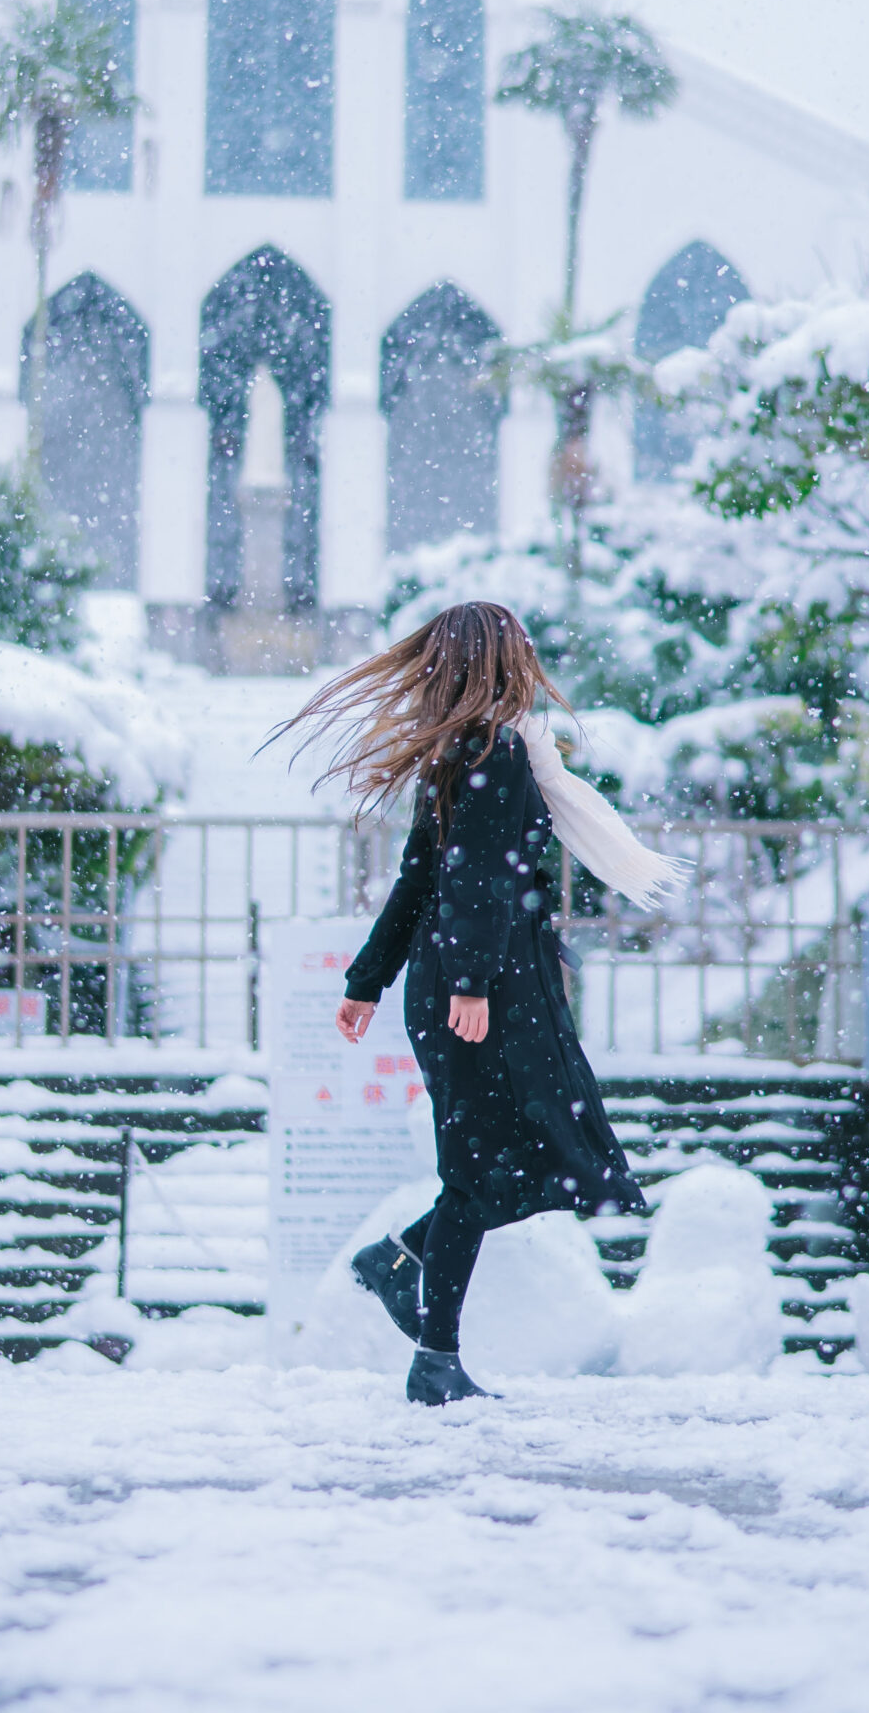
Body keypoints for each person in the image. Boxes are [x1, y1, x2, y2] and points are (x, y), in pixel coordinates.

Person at [284, 602, 685, 1405]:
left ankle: (403, 1269)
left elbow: (420, 880)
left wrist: (370, 981)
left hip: (479, 984)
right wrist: (466, 983)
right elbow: (470, 879)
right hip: (486, 991)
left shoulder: (469, 755)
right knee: (486, 1169)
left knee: (527, 1159)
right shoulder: (493, 755)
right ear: (503, 664)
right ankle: (434, 1356)